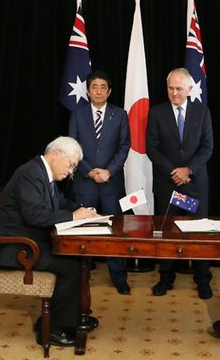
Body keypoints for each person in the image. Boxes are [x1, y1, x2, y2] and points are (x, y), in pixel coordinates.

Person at [0, 136, 99, 348]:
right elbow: (34, 215)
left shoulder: (43, 172)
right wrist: (75, 217)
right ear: (57, 154)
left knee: (77, 257)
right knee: (71, 265)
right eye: (71, 165)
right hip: (11, 247)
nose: (71, 171)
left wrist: (85, 211)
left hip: (27, 242)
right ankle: (53, 329)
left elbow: (62, 203)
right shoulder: (30, 173)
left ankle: (74, 318)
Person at [146, 67, 214, 299]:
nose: (174, 93)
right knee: (166, 232)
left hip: (195, 184)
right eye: (170, 88)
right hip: (168, 184)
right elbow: (151, 148)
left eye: (178, 88)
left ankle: (203, 279)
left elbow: (207, 147)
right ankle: (166, 278)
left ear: (189, 88)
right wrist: (174, 171)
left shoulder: (202, 112)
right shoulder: (156, 113)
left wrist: (188, 170)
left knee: (199, 234)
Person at [68, 70, 131, 295]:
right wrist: (89, 172)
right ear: (87, 90)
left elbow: (124, 146)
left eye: (103, 87)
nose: (98, 91)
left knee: (115, 230)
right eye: (94, 87)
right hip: (85, 183)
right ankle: (79, 276)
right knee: (84, 230)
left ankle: (119, 278)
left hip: (111, 183)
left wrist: (108, 172)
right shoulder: (77, 114)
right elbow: (72, 146)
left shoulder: (120, 115)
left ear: (109, 91)